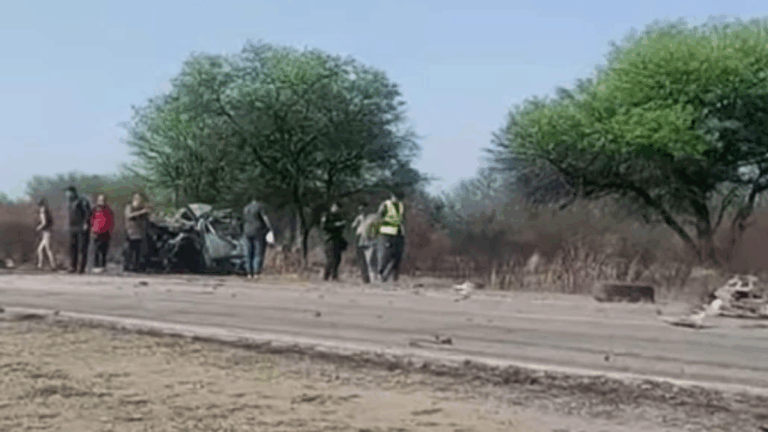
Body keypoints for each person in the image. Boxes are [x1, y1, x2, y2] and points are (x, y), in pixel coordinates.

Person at [377, 191, 406, 283]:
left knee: (397, 256)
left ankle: (390, 277)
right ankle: (380, 273)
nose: (397, 199)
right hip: (386, 232)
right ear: (392, 196)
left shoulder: (401, 205)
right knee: (385, 255)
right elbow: (379, 216)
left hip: (398, 233)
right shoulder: (385, 204)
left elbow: (402, 219)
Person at [242, 198, 273, 280]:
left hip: (247, 231)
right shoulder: (260, 207)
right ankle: (256, 273)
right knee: (258, 252)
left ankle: (249, 273)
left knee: (248, 252)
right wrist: (270, 228)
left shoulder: (246, 208)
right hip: (257, 231)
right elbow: (265, 218)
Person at [64, 186, 91, 274]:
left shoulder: (82, 201)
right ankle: (73, 266)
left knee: (82, 248)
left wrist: (86, 223)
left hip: (81, 226)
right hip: (72, 227)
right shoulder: (69, 202)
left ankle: (81, 268)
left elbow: (87, 212)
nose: (67, 194)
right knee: (72, 247)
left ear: (73, 192)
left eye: (68, 192)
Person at [351, 204, 379, 283]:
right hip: (359, 238)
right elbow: (353, 226)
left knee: (370, 260)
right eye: (360, 209)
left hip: (369, 239)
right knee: (362, 260)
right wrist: (358, 221)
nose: (362, 211)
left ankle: (373, 279)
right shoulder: (358, 218)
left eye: (363, 209)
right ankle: (365, 279)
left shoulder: (371, 218)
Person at [320, 202, 348, 281]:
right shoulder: (327, 215)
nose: (337, 209)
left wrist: (341, 224)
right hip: (330, 239)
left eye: (339, 208)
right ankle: (326, 276)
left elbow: (342, 227)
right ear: (332, 207)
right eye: (336, 207)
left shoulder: (339, 216)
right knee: (331, 259)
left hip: (338, 239)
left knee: (338, 259)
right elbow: (324, 226)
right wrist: (336, 225)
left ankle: (334, 276)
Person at [124, 192, 151, 272]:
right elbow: (129, 215)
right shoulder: (130, 207)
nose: (139, 201)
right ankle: (127, 266)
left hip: (140, 232)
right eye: (138, 199)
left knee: (138, 251)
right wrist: (141, 212)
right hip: (131, 232)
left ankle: (137, 266)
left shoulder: (142, 208)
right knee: (130, 250)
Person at [90, 193, 114, 274]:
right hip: (96, 232)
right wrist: (91, 230)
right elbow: (91, 220)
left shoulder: (108, 210)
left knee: (104, 250)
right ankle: (95, 266)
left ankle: (103, 266)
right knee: (96, 250)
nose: (101, 201)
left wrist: (110, 231)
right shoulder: (94, 209)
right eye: (100, 199)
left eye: (103, 200)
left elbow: (111, 221)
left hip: (106, 232)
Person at [35, 198, 57, 271]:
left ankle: (53, 265)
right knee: (40, 249)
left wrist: (39, 228)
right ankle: (40, 265)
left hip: (47, 232)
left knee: (48, 249)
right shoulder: (46, 211)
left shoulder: (43, 211)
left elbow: (44, 223)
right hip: (47, 232)